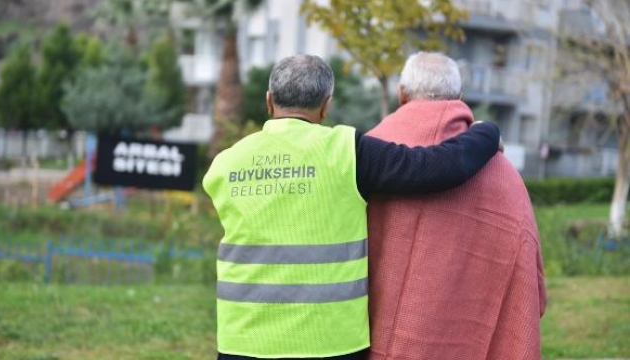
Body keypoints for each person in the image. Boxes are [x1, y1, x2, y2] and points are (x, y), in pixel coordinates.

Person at [202, 54, 501, 360]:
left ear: (269, 101)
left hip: (243, 343)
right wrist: (486, 132)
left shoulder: (226, 164)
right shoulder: (347, 151)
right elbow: (439, 167)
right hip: (330, 344)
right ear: (325, 104)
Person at [366, 52, 547, 360]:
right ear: (460, 97)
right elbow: (530, 281)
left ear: (401, 93)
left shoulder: (368, 152)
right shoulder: (504, 175)